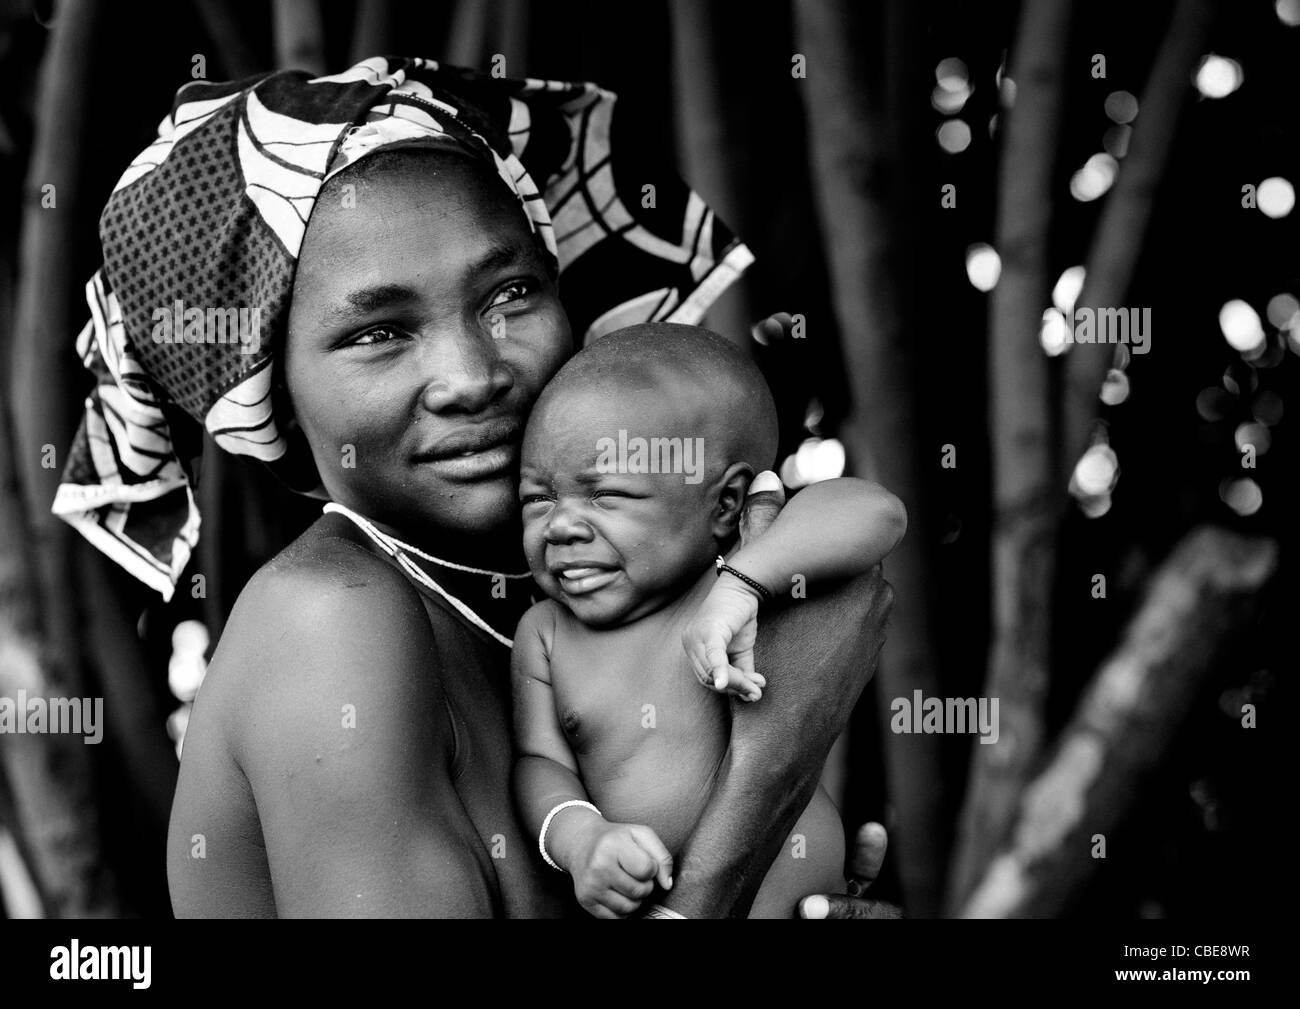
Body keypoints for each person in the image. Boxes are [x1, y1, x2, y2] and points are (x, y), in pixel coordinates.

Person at [52, 56, 900, 918]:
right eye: (380, 331)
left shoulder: (549, 612)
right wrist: (770, 771)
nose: (472, 374)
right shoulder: (332, 621)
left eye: (511, 292)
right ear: (274, 391)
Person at [512, 324, 905, 918]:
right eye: (538, 498)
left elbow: (879, 512)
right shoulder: (545, 634)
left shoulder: (752, 576)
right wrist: (581, 839)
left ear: (724, 506)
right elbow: (539, 764)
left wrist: (744, 585)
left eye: (607, 495)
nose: (560, 525)